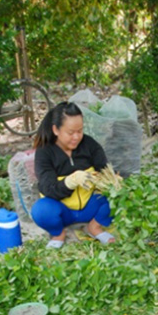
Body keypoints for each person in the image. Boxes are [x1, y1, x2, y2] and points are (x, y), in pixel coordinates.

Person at [31, 102, 114, 248]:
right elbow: (47, 187)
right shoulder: (45, 151)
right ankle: (58, 233)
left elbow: (104, 169)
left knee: (117, 197)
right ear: (56, 130)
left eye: (80, 131)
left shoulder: (90, 145)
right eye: (70, 132)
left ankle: (94, 227)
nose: (76, 137)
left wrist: (110, 181)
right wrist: (71, 181)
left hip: (90, 206)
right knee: (41, 210)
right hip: (63, 210)